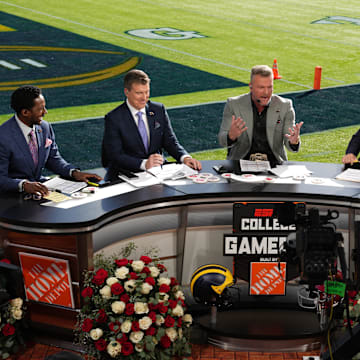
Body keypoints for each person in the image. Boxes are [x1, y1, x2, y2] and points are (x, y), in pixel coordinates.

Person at [0, 85, 102, 195]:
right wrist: (23, 185)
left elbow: (53, 159)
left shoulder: (45, 127)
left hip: (41, 190)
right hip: (12, 197)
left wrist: (74, 173)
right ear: (25, 112)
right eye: (40, 109)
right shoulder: (3, 137)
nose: (45, 112)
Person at [101, 69, 201, 181]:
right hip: (126, 176)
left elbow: (170, 141)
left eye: (147, 92)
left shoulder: (158, 110)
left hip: (159, 173)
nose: (144, 98)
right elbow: (115, 155)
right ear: (127, 92)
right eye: (139, 93)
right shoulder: (114, 118)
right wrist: (144, 164)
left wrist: (185, 158)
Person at [218, 65, 303, 166]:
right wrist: (230, 136)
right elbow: (222, 140)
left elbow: (289, 142)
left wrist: (293, 142)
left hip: (274, 166)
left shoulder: (285, 106)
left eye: (270, 87)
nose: (266, 93)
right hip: (240, 166)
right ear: (251, 87)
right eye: (261, 87)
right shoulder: (234, 104)